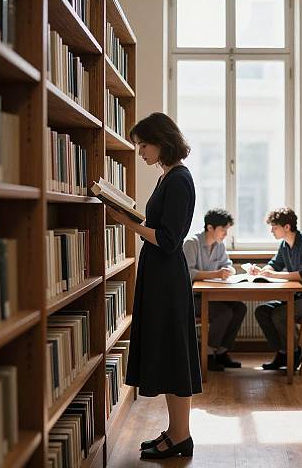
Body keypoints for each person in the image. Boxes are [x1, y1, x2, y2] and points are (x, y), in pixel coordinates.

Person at [106, 112, 201, 460]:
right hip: (158, 274)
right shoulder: (167, 177)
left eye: (143, 145)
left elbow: (169, 239)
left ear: (162, 141)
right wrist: (132, 217)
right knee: (168, 352)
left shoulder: (178, 179)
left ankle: (181, 436)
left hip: (167, 277)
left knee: (174, 353)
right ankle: (176, 432)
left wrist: (128, 223)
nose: (141, 152)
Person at [252, 207, 302, 371]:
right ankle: (283, 353)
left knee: (280, 314)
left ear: (287, 227)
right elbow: (275, 264)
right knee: (262, 311)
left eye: (274, 227)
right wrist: (262, 270)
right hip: (297, 296)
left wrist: (274, 276)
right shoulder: (285, 245)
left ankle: (295, 352)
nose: (271, 231)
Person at [183, 209, 246, 371]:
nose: (225, 233)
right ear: (210, 228)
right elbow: (187, 273)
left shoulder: (219, 245)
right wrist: (216, 273)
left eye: (227, 230)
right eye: (223, 229)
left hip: (212, 296)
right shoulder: (191, 243)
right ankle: (208, 354)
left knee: (240, 308)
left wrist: (228, 271)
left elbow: (228, 265)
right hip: (191, 298)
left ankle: (222, 352)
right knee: (224, 312)